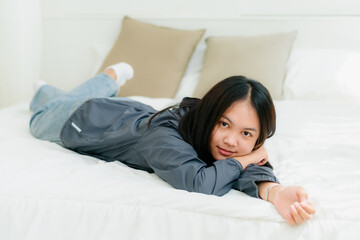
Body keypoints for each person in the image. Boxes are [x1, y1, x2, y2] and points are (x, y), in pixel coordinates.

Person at [29, 62, 316, 226]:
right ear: (209, 114)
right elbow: (199, 182)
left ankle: (61, 89)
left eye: (247, 134)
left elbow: (244, 166)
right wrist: (244, 159)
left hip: (128, 114)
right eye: (224, 124)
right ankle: (108, 78)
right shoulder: (164, 136)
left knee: (52, 98)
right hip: (83, 120)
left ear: (258, 137)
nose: (232, 140)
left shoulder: (232, 144)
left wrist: (273, 191)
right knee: (40, 113)